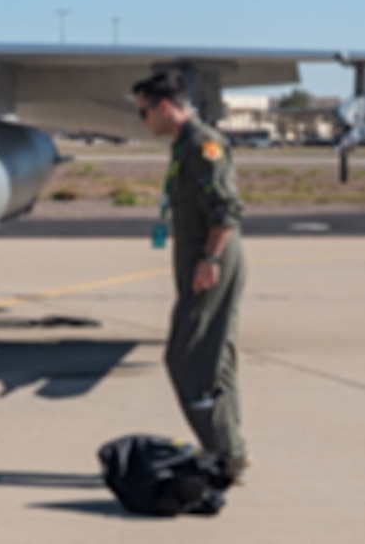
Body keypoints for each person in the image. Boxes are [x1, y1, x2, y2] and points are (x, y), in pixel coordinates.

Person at [133, 71, 249, 481]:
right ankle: (227, 451)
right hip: (202, 259)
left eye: (144, 112)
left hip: (210, 261)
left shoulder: (204, 145)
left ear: (165, 107)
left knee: (189, 360)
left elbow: (227, 209)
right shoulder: (185, 146)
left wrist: (210, 259)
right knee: (213, 357)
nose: (143, 122)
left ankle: (224, 453)